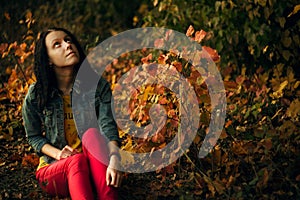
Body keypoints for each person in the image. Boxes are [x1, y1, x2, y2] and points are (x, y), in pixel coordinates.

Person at [22, 27, 122, 200]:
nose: (67, 45)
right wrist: (59, 154)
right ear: (48, 60)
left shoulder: (98, 87)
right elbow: (34, 136)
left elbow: (108, 127)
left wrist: (114, 158)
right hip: (55, 169)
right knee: (76, 161)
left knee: (91, 134)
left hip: (94, 166)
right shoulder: (36, 94)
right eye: (57, 44)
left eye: (68, 40)